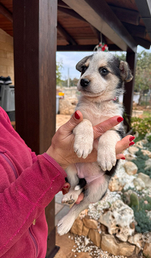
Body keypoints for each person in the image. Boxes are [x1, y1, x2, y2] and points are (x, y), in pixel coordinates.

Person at [0, 107, 134, 258]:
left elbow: (25, 158)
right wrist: (54, 163)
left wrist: (57, 178)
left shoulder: (1, 114)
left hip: (39, 248)